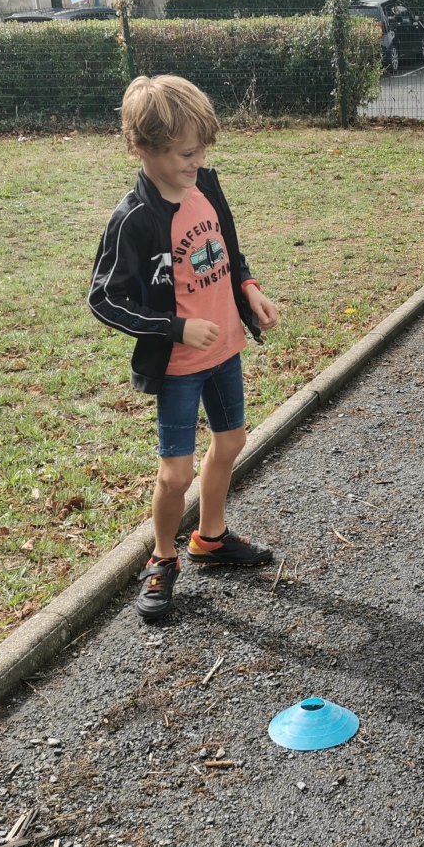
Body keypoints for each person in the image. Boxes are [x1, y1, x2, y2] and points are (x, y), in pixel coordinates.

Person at [88, 75, 281, 623]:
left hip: (225, 350)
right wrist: (174, 328)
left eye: (201, 150)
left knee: (232, 441)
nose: (197, 162)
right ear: (142, 148)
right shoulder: (134, 219)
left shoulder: (206, 187)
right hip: (178, 366)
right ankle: (163, 556)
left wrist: (248, 288)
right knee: (175, 476)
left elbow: (228, 250)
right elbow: (104, 299)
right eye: (184, 153)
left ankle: (210, 538)